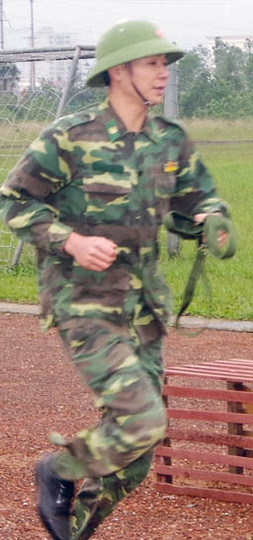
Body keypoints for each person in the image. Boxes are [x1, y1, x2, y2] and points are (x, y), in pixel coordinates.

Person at [0, 20, 234, 540]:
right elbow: (13, 202)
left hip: (143, 309)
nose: (163, 73)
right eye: (152, 63)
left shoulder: (169, 139)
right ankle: (58, 469)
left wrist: (211, 219)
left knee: (136, 455)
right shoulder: (69, 136)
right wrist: (71, 241)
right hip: (83, 304)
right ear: (119, 71)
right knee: (143, 422)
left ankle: (75, 529)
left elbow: (198, 197)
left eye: (165, 64)